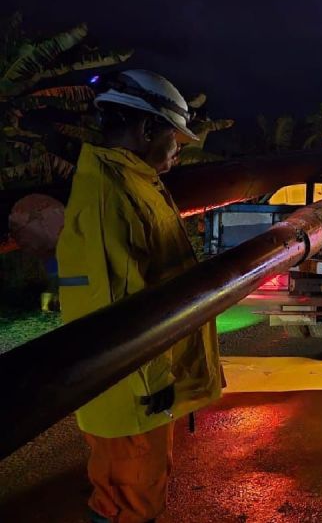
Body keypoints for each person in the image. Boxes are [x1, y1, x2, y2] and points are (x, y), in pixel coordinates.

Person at [56, 69, 223, 523]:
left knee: (135, 497)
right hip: (131, 391)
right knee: (127, 505)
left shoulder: (132, 180)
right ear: (148, 129)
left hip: (136, 386)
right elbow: (118, 303)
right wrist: (153, 388)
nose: (176, 152)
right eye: (175, 139)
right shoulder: (111, 192)